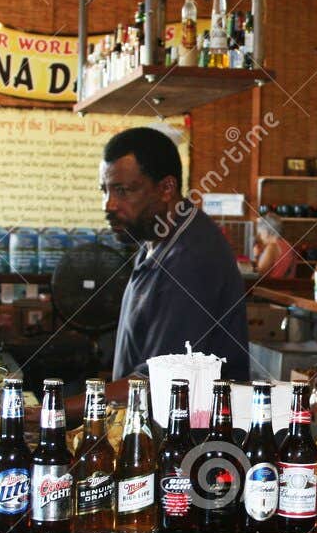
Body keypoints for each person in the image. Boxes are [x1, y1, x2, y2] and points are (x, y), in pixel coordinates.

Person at [103, 126, 250, 381]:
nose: (109, 205)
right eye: (104, 191)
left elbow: (159, 382)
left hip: (190, 420)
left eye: (122, 191)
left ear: (166, 188)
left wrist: (55, 409)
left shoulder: (191, 259)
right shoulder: (154, 241)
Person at [253, 213, 299, 278]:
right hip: (286, 286)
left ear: (266, 232)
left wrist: (256, 256)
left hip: (270, 286)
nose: (260, 237)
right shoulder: (288, 245)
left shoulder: (272, 247)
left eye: (260, 233)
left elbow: (259, 274)